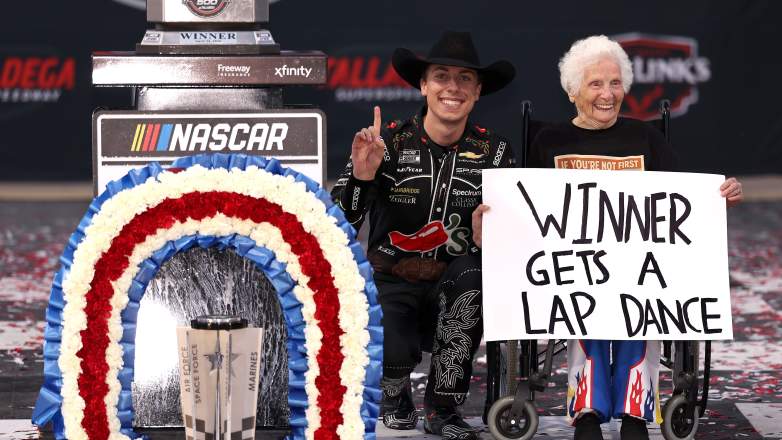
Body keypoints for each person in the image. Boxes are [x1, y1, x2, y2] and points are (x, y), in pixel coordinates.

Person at [522, 35, 743, 440]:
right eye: (595, 84)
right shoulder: (548, 143)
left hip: (638, 274)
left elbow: (681, 206)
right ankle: (587, 410)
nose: (607, 94)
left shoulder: (647, 139)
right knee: (582, 301)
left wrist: (717, 200)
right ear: (572, 91)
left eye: (615, 83)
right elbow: (525, 213)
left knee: (640, 305)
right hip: (575, 271)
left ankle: (635, 412)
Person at [331, 31, 515, 439]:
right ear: (423, 85)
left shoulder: (497, 153)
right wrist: (361, 176)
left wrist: (493, 240)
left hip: (454, 288)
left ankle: (442, 409)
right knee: (392, 351)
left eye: (465, 78)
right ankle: (394, 392)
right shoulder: (387, 142)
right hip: (391, 280)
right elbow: (338, 224)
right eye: (441, 76)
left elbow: (514, 239)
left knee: (473, 274)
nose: (453, 87)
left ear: (478, 90)